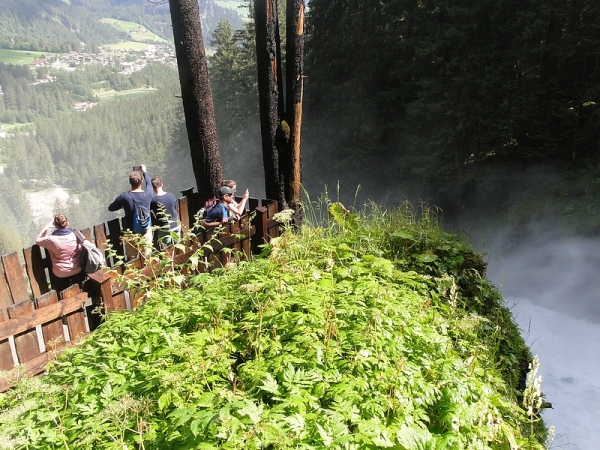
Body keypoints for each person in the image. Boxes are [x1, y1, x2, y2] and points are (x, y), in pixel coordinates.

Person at [108, 164, 153, 259]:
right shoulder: (148, 194)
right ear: (141, 182)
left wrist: (124, 204)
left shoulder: (124, 196)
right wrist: (144, 172)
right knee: (147, 257)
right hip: (145, 230)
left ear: (130, 182)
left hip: (130, 232)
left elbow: (111, 208)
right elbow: (149, 184)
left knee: (132, 258)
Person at [36, 214, 85, 294]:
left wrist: (48, 225)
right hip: (77, 268)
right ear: (67, 222)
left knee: (65, 295)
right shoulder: (75, 234)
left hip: (61, 273)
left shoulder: (51, 239)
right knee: (80, 292)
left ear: (55, 225)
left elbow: (38, 240)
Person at [150, 176, 180, 248]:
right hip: (176, 225)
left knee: (167, 250)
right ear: (162, 184)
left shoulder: (153, 201)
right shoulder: (171, 195)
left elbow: (152, 214)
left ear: (152, 188)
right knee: (178, 247)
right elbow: (176, 209)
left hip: (164, 229)